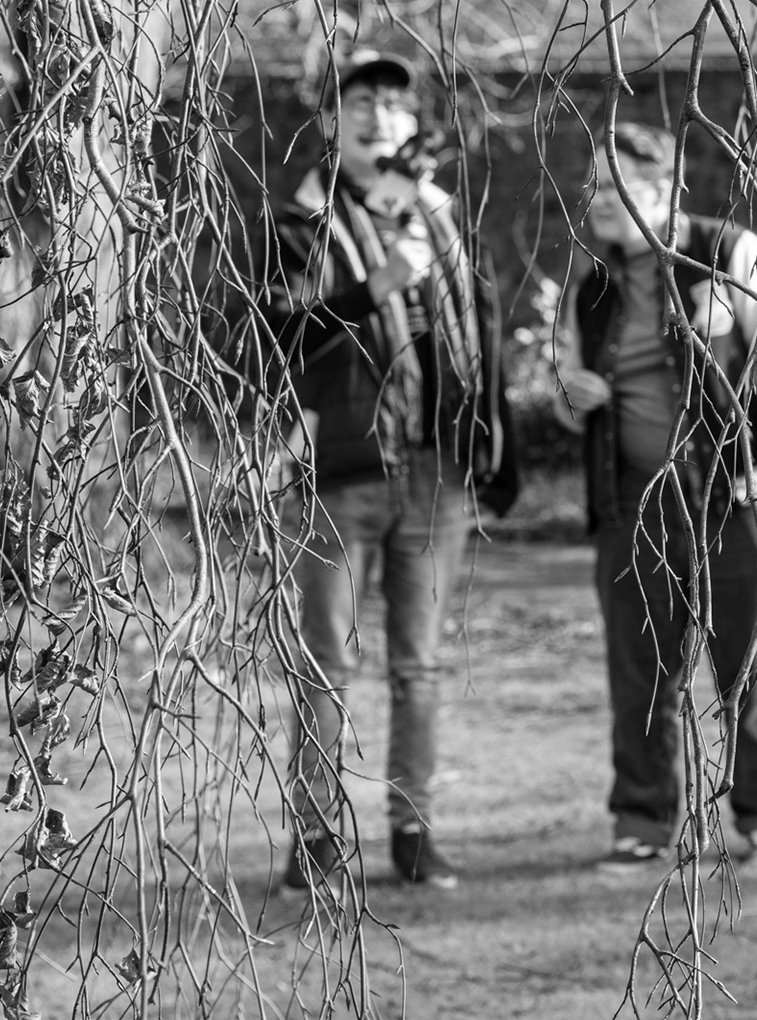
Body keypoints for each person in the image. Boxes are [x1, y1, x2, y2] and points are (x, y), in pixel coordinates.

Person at [261, 50, 520, 891]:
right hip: (340, 472)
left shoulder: (441, 219)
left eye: (394, 105)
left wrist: (498, 446)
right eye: (361, 104)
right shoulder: (301, 220)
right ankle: (317, 840)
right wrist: (374, 286)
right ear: (335, 124)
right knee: (325, 664)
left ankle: (414, 836)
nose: (379, 117)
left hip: (433, 475)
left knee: (419, 664)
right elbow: (274, 336)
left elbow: (477, 334)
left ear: (413, 125)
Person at [552, 123, 757, 877]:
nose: (597, 199)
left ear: (663, 186)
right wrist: (573, 393)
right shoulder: (592, 281)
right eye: (593, 184)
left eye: (614, 183)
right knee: (640, 670)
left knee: (750, 665)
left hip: (734, 497)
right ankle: (643, 822)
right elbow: (569, 376)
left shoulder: (731, 253)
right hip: (630, 504)